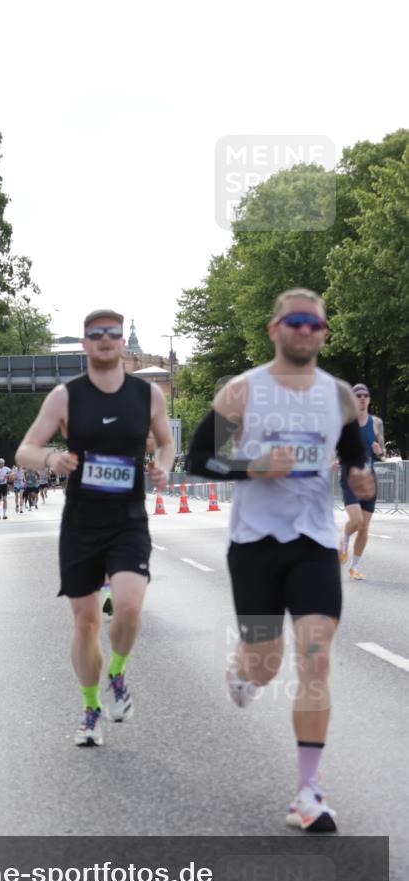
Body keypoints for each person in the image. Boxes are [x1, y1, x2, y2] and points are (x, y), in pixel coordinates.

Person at [185, 288, 375, 833]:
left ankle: (307, 793)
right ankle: (244, 670)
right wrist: (254, 466)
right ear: (275, 329)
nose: (305, 331)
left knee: (315, 658)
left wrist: (361, 477)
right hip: (254, 542)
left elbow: (355, 456)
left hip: (314, 541)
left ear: (322, 334)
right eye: (295, 322)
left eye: (315, 325)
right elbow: (202, 459)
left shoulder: (338, 396)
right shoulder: (242, 392)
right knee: (265, 664)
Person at [16, 308, 174, 746]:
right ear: (85, 343)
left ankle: (117, 675)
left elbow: (165, 443)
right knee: (85, 622)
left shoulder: (148, 396)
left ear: (124, 343)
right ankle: (90, 710)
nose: (105, 339)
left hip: (128, 518)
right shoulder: (65, 397)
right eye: (96, 334)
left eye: (113, 333)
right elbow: (24, 450)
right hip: (81, 521)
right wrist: (52, 459)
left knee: (128, 606)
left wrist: (162, 466)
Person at [338, 383, 385, 580]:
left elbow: (382, 452)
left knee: (365, 526)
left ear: (369, 399)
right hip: (350, 475)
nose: (362, 398)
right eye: (358, 396)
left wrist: (379, 451)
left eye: (365, 395)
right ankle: (345, 538)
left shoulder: (377, 423)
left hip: (369, 478)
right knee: (356, 521)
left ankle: (354, 567)